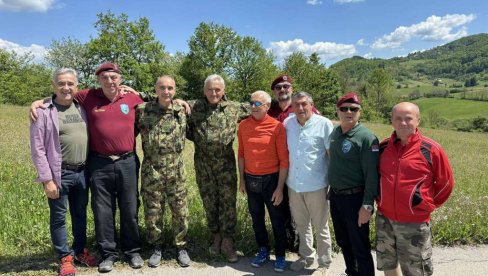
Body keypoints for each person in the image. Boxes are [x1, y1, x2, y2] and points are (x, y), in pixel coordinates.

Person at [30, 62, 144, 272]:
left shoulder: (133, 98)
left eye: (113, 77)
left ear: (120, 79)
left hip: (126, 161)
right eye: (104, 78)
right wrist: (39, 102)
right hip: (98, 163)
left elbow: (159, 102)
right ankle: (108, 253)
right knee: (102, 210)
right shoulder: (88, 96)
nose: (109, 81)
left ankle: (132, 251)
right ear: (98, 80)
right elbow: (62, 95)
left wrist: (180, 101)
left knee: (129, 207)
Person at [30, 68, 97, 276]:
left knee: (80, 214)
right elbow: (37, 148)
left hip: (82, 172)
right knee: (59, 217)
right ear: (54, 85)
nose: (66, 87)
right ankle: (64, 257)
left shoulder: (81, 107)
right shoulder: (42, 111)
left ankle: (79, 251)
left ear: (76, 86)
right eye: (61, 83)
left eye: (70, 83)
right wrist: (47, 179)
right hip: (59, 174)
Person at [375, 102, 454, 276]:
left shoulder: (431, 149)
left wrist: (425, 204)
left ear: (418, 121)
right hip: (384, 219)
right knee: (387, 262)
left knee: (417, 270)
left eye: (408, 118)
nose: (403, 123)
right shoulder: (382, 148)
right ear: (392, 121)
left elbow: (446, 183)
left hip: (414, 223)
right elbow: (375, 178)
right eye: (398, 118)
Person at [186, 74, 250, 263]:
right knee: (209, 201)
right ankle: (216, 236)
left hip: (226, 166)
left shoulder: (234, 108)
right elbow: (165, 100)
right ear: (204, 90)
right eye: (209, 89)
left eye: (217, 89)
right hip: (203, 166)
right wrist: (136, 92)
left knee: (228, 203)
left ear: (224, 90)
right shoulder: (193, 107)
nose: (213, 93)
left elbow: (261, 105)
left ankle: (228, 240)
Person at [135, 75, 191, 268]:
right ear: (155, 89)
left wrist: (181, 102)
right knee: (153, 212)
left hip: (176, 170)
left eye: (170, 88)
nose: (166, 91)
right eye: (162, 88)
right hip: (152, 170)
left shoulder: (182, 110)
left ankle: (181, 246)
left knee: (180, 211)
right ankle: (156, 247)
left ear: (175, 90)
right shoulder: (143, 110)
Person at [237, 90, 289, 273]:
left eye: (258, 103)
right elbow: (241, 155)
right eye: (251, 102)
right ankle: (263, 250)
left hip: (272, 180)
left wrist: (280, 188)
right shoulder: (243, 126)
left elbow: (284, 160)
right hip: (251, 179)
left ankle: (281, 254)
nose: (253, 106)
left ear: (267, 106)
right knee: (256, 218)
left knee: (277, 219)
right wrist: (241, 180)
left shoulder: (277, 127)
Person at [268, 74, 320, 252]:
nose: (282, 90)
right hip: (277, 168)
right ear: (274, 91)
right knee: (280, 208)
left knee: (301, 211)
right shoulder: (269, 110)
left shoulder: (300, 106)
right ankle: (286, 242)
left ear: (291, 88)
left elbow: (319, 124)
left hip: (300, 169)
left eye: (286, 86)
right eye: (278, 87)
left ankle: (302, 246)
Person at [328, 92, 378, 276]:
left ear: (360, 112)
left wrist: (367, 205)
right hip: (336, 196)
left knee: (359, 244)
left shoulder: (366, 138)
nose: (349, 112)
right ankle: (351, 272)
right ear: (338, 111)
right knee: (343, 241)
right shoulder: (336, 131)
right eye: (344, 108)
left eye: (353, 109)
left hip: (355, 198)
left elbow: (372, 175)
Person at [284, 92, 334, 276]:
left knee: (321, 226)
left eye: (304, 104)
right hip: (294, 184)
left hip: (317, 185)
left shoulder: (324, 124)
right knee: (301, 224)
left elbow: (331, 155)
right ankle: (306, 256)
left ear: (311, 104)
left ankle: (324, 262)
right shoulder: (288, 124)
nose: (300, 108)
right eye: (296, 104)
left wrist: (332, 184)